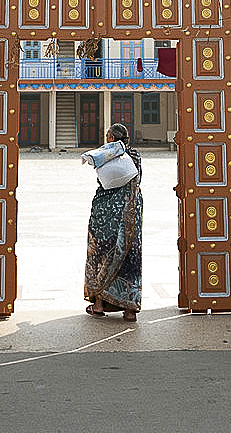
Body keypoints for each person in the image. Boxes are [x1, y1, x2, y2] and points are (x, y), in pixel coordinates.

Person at [83, 123, 142, 321]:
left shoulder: (104, 154)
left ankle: (99, 305)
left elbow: (103, 181)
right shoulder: (135, 155)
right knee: (129, 255)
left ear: (109, 137)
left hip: (105, 213)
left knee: (101, 253)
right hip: (130, 212)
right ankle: (130, 309)